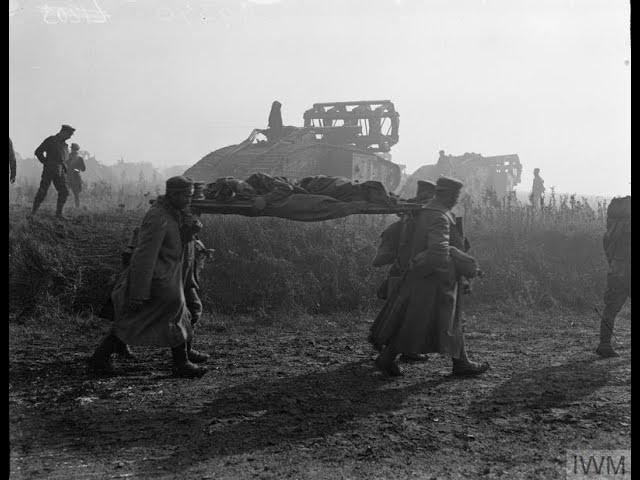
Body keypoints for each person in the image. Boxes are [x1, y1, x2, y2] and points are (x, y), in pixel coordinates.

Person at [88, 176, 208, 378]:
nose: (189, 200)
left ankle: (183, 358)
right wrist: (139, 291)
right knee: (147, 319)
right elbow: (144, 255)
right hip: (158, 279)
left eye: (190, 196)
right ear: (173, 194)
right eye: (186, 196)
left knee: (169, 315)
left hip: (170, 276)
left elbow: (176, 243)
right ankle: (181, 363)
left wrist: (190, 230)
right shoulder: (158, 217)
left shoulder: (173, 213)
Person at [369, 176, 489, 377]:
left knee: (436, 321)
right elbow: (438, 252)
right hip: (434, 281)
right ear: (448, 195)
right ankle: (387, 358)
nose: (457, 200)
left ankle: (461, 362)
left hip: (421, 276)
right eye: (456, 196)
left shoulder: (424, 212)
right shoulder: (439, 217)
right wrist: (449, 274)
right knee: (420, 323)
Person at [372, 180, 436, 363]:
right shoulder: (414, 220)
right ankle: (395, 352)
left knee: (404, 313)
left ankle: (400, 350)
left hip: (404, 270)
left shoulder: (406, 220)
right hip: (410, 272)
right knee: (407, 314)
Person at [596, 195, 631, 357]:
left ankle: (604, 344)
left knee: (610, 308)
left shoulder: (610, 232)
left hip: (616, 272)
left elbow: (607, 253)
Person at [30, 124, 75, 219]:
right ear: (63, 132)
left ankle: (59, 214)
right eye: (69, 134)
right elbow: (38, 152)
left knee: (64, 191)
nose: (70, 137)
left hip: (60, 171)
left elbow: (63, 160)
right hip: (49, 170)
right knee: (42, 191)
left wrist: (65, 169)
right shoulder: (51, 140)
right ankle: (32, 214)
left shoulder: (65, 145)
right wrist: (46, 162)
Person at [65, 143, 86, 208]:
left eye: (74, 149)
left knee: (76, 194)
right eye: (72, 149)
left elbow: (83, 169)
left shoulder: (79, 158)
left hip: (74, 178)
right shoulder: (67, 157)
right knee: (65, 193)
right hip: (69, 178)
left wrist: (75, 170)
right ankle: (64, 207)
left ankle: (77, 208)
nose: (73, 150)